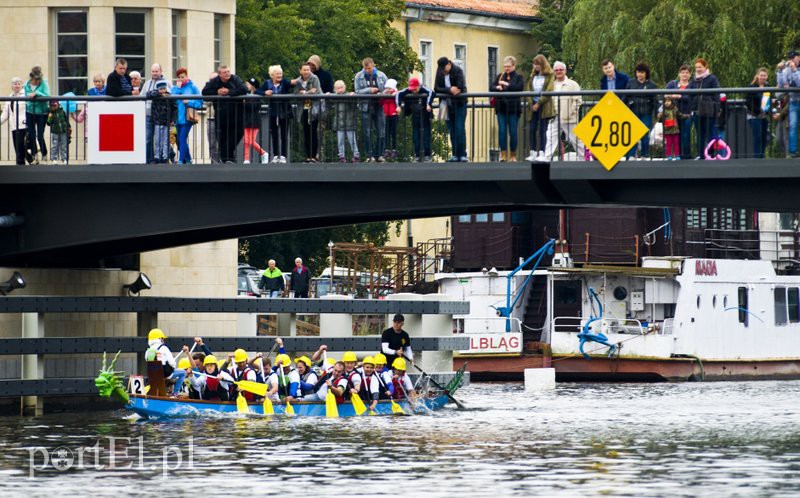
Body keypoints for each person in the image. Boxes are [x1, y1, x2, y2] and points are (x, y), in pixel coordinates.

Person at [535, 61, 584, 163]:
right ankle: (547, 158)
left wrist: (571, 112)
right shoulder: (551, 84)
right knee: (551, 137)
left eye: (561, 70)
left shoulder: (572, 84)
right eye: (556, 70)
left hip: (568, 117)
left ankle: (584, 158)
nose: (558, 72)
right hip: (554, 116)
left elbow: (578, 100)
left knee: (575, 139)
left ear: (565, 71)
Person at [202, 65, 247, 163]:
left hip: (237, 116)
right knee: (222, 141)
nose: (227, 74)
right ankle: (228, 161)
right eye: (224, 72)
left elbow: (244, 89)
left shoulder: (235, 79)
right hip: (221, 116)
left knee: (236, 136)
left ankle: (228, 159)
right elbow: (204, 92)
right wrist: (217, 92)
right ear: (219, 74)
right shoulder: (215, 81)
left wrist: (229, 92)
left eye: (228, 71)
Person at [256, 65, 293, 164]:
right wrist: (265, 92)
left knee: (284, 135)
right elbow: (257, 91)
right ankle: (276, 155)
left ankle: (284, 156)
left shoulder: (284, 82)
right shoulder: (267, 83)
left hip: (284, 112)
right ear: (272, 75)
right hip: (273, 112)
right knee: (275, 135)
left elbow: (291, 84)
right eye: (277, 74)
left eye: (280, 73)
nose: (279, 75)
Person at [354, 58, 388, 162]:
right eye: (365, 68)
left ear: (373, 65)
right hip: (366, 106)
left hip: (379, 106)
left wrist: (382, 92)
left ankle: (380, 154)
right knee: (367, 132)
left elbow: (388, 89)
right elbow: (357, 91)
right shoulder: (359, 76)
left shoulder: (381, 75)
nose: (367, 70)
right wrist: (370, 90)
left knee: (381, 132)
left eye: (369, 68)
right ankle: (369, 155)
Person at [492, 55, 525, 162]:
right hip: (501, 107)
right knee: (502, 131)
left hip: (513, 109)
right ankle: (503, 155)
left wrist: (506, 84)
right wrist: (497, 87)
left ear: (514, 66)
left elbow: (518, 88)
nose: (506, 69)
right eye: (505, 66)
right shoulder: (500, 76)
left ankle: (513, 155)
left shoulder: (519, 77)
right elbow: (491, 86)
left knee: (513, 132)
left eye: (509, 67)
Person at [435, 57, 468, 162]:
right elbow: (436, 88)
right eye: (441, 70)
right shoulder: (440, 71)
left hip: (459, 103)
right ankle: (454, 154)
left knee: (459, 129)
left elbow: (460, 87)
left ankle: (462, 154)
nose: (443, 72)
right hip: (444, 104)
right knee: (451, 130)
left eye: (444, 69)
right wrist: (449, 90)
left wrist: (450, 90)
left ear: (449, 64)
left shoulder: (458, 70)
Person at [688, 58, 721, 160]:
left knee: (709, 133)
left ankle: (710, 154)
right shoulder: (693, 80)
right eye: (696, 67)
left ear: (705, 67)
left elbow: (716, 94)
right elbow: (690, 94)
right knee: (699, 134)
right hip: (696, 111)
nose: (698, 69)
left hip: (709, 110)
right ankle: (701, 154)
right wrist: (691, 106)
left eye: (700, 67)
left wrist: (717, 108)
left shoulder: (712, 79)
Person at [396, 77, 434, 162]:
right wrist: (398, 105)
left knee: (426, 135)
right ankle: (417, 155)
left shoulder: (423, 89)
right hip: (415, 114)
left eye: (415, 89)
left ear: (418, 86)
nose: (413, 91)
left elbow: (431, 92)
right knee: (416, 135)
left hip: (425, 114)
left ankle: (427, 155)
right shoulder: (408, 90)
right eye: (412, 89)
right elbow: (398, 94)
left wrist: (428, 104)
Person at [625, 62, 658, 159]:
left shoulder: (652, 85)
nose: (640, 74)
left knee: (644, 134)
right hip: (633, 112)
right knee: (632, 134)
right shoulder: (630, 83)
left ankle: (645, 155)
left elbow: (655, 101)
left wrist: (657, 114)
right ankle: (631, 155)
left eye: (642, 72)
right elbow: (625, 97)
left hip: (646, 113)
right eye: (638, 72)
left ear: (646, 73)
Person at [526, 55, 556, 161]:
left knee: (543, 130)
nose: (536, 66)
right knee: (532, 129)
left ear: (543, 64)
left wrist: (539, 102)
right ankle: (533, 152)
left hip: (544, 105)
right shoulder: (532, 76)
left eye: (538, 64)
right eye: (534, 64)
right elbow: (528, 90)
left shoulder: (550, 75)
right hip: (533, 105)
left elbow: (549, 90)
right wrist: (531, 104)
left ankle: (543, 152)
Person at [172, 68, 203, 165]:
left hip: (187, 118)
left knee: (182, 139)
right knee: (180, 140)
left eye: (183, 77)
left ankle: (181, 160)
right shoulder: (175, 88)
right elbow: (172, 99)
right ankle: (189, 159)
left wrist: (189, 102)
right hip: (177, 118)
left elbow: (200, 103)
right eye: (179, 77)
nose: (181, 79)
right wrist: (177, 88)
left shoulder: (193, 87)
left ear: (187, 76)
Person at [140, 64, 170, 163]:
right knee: (148, 138)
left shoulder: (167, 83)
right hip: (148, 115)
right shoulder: (147, 83)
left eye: (156, 71)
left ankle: (163, 158)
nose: (154, 73)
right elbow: (142, 96)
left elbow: (170, 96)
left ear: (161, 71)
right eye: (153, 71)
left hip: (161, 116)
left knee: (162, 140)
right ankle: (148, 160)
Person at [293, 63, 322, 163]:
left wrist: (304, 92)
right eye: (304, 70)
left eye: (308, 70)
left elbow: (317, 91)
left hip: (314, 109)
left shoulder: (315, 78)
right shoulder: (298, 81)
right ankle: (308, 156)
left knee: (313, 132)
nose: (306, 72)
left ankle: (313, 156)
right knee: (306, 132)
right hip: (303, 109)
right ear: (300, 71)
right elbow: (296, 93)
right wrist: (309, 91)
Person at [144, 328, 185, 396]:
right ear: (160, 338)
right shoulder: (164, 348)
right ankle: (175, 393)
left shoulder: (147, 351)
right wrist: (173, 366)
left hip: (153, 375)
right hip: (166, 374)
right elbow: (172, 363)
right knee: (183, 373)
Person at [665, 64, 694, 159]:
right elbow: (665, 95)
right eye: (682, 72)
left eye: (687, 72)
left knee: (685, 136)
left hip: (686, 114)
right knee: (674, 137)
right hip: (672, 115)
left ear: (690, 75)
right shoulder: (672, 84)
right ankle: (676, 155)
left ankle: (686, 156)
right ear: (679, 74)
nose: (684, 74)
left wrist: (679, 96)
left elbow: (692, 98)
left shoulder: (692, 85)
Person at [24, 66, 50, 164]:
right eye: (36, 79)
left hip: (42, 112)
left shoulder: (44, 82)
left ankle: (44, 154)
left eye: (39, 79)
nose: (37, 81)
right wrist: (31, 96)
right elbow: (27, 96)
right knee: (31, 135)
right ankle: (35, 157)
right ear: (31, 77)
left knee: (40, 135)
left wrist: (36, 93)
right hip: (30, 112)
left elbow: (47, 95)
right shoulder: (26, 84)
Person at [1, 77, 30, 165]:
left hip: (24, 125)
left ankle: (30, 161)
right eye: (15, 84)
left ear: (21, 85)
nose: (17, 85)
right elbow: (5, 113)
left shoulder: (26, 94)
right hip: (14, 127)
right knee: (18, 149)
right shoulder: (10, 97)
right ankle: (20, 167)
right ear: (12, 86)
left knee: (24, 147)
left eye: (18, 83)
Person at [778, 51, 800, 158]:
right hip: (794, 102)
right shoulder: (787, 70)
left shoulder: (796, 69)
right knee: (793, 126)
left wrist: (795, 70)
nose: (792, 60)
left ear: (798, 58)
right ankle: (793, 152)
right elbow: (782, 85)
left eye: (794, 57)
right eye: (790, 58)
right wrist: (780, 71)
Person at [242, 77, 269, 164]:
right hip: (246, 120)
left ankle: (263, 153)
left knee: (251, 141)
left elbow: (253, 107)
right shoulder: (246, 95)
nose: (246, 86)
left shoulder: (257, 95)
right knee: (246, 140)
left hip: (254, 121)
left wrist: (244, 103)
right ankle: (246, 158)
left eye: (248, 84)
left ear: (253, 86)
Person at [148, 81, 177, 164]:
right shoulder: (155, 95)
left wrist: (172, 120)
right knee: (157, 141)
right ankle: (157, 156)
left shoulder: (169, 96)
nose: (163, 90)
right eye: (160, 89)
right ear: (158, 89)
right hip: (157, 122)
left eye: (164, 88)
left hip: (166, 122)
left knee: (165, 141)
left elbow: (174, 108)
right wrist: (158, 94)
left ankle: (165, 157)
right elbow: (148, 94)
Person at [332, 80, 360, 163]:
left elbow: (355, 105)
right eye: (338, 88)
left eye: (341, 87)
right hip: (339, 122)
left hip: (349, 122)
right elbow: (328, 103)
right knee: (340, 140)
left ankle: (356, 155)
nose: (340, 89)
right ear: (335, 89)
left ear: (345, 87)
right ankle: (341, 156)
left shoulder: (349, 95)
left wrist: (353, 96)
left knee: (352, 140)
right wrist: (328, 95)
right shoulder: (335, 97)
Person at [747, 67, 771, 159]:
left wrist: (768, 110)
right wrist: (757, 110)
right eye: (761, 75)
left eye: (764, 76)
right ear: (757, 76)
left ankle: (762, 155)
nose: (763, 77)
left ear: (767, 77)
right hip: (754, 115)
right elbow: (748, 102)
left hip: (764, 115)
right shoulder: (752, 86)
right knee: (757, 136)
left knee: (764, 137)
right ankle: (756, 157)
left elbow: (768, 99)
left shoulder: (768, 86)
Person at [46, 100, 70, 165]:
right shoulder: (50, 113)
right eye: (52, 106)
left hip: (63, 131)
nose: (53, 107)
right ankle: (54, 158)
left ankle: (64, 158)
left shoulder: (62, 111)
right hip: (55, 131)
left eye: (55, 105)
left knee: (64, 145)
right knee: (55, 145)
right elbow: (48, 123)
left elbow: (66, 120)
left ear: (58, 105)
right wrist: (49, 117)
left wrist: (69, 127)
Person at [206, 72, 221, 164]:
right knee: (212, 143)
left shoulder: (223, 87)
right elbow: (205, 101)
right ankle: (214, 163)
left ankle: (225, 161)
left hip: (222, 119)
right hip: (210, 118)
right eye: (211, 79)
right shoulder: (208, 89)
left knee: (223, 143)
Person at [383, 79, 400, 160]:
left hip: (394, 115)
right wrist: (383, 95)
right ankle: (387, 149)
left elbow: (397, 100)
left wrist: (393, 94)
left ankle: (394, 149)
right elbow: (381, 102)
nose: (388, 90)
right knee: (387, 132)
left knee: (393, 132)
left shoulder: (396, 94)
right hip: (386, 115)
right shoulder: (385, 94)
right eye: (387, 88)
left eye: (390, 88)